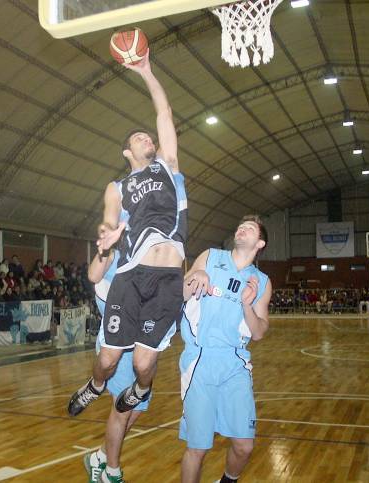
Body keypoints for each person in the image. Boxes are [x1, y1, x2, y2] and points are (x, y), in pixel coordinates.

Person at [68, 48, 187, 419]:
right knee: (107, 359)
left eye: (149, 137)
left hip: (167, 278)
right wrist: (106, 241)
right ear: (126, 151)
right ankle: (95, 385)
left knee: (142, 363)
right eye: (139, 138)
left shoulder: (168, 167)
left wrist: (146, 71)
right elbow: (107, 224)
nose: (147, 138)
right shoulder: (117, 187)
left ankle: (141, 388)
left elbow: (164, 113)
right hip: (130, 275)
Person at [180, 215, 272, 483]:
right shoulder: (210, 256)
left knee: (244, 446)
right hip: (200, 360)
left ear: (260, 243)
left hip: (235, 363)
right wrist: (194, 276)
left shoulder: (261, 281)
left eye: (250, 228)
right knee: (197, 447)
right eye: (241, 226)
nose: (242, 228)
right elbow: (180, 294)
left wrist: (247, 305)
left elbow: (258, 332)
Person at [83, 248, 176, 483]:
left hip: (144, 346)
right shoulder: (115, 255)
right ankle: (112, 472)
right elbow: (93, 275)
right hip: (117, 345)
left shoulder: (155, 261)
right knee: (122, 410)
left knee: (137, 409)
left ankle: (99, 456)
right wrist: (105, 246)